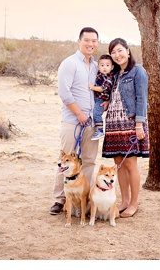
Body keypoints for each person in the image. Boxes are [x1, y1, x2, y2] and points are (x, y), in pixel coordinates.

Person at [51, 27, 101, 216]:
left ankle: (83, 199)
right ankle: (59, 199)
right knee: (66, 160)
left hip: (91, 123)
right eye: (87, 40)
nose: (90, 44)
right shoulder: (69, 63)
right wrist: (79, 114)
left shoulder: (97, 66)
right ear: (79, 41)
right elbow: (64, 93)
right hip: (73, 120)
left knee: (88, 161)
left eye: (94, 40)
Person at [102, 38, 149, 218]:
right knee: (118, 164)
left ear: (128, 51)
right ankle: (124, 201)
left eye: (120, 50)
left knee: (130, 164)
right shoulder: (114, 74)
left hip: (130, 123)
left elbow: (142, 99)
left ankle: (134, 204)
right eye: (113, 52)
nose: (117, 55)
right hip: (113, 123)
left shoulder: (138, 72)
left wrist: (139, 124)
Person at [89, 54, 115, 141]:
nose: (104, 67)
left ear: (112, 67)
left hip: (101, 99)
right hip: (96, 98)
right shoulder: (99, 74)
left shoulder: (109, 77)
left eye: (107, 65)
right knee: (93, 113)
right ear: (98, 66)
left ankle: (100, 130)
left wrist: (93, 87)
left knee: (96, 114)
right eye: (102, 65)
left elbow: (103, 88)